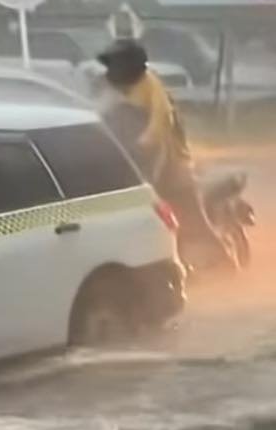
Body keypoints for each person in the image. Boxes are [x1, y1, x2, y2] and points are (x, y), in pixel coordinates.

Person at [96, 41, 226, 264]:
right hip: (142, 164)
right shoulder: (117, 91)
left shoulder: (150, 85)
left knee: (195, 222)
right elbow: (103, 117)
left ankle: (226, 261)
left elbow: (161, 120)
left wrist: (143, 143)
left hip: (172, 163)